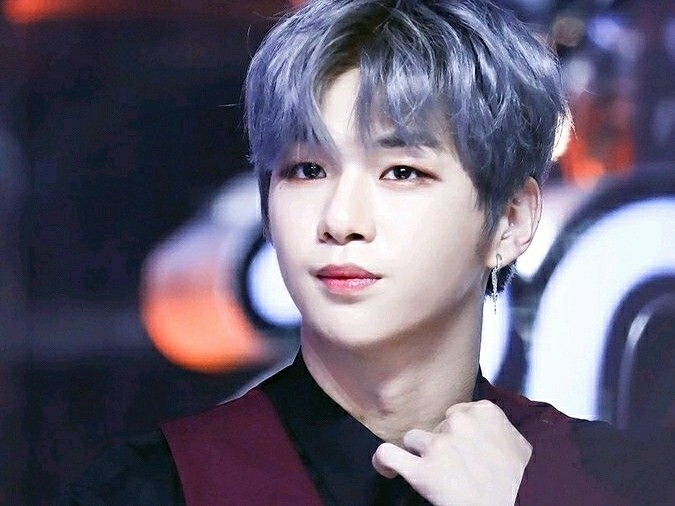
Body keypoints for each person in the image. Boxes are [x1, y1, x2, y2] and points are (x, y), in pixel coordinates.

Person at [60, 0, 673, 504]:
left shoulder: (615, 482)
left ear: (510, 220)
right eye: (307, 170)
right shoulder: (152, 488)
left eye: (402, 172)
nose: (341, 220)